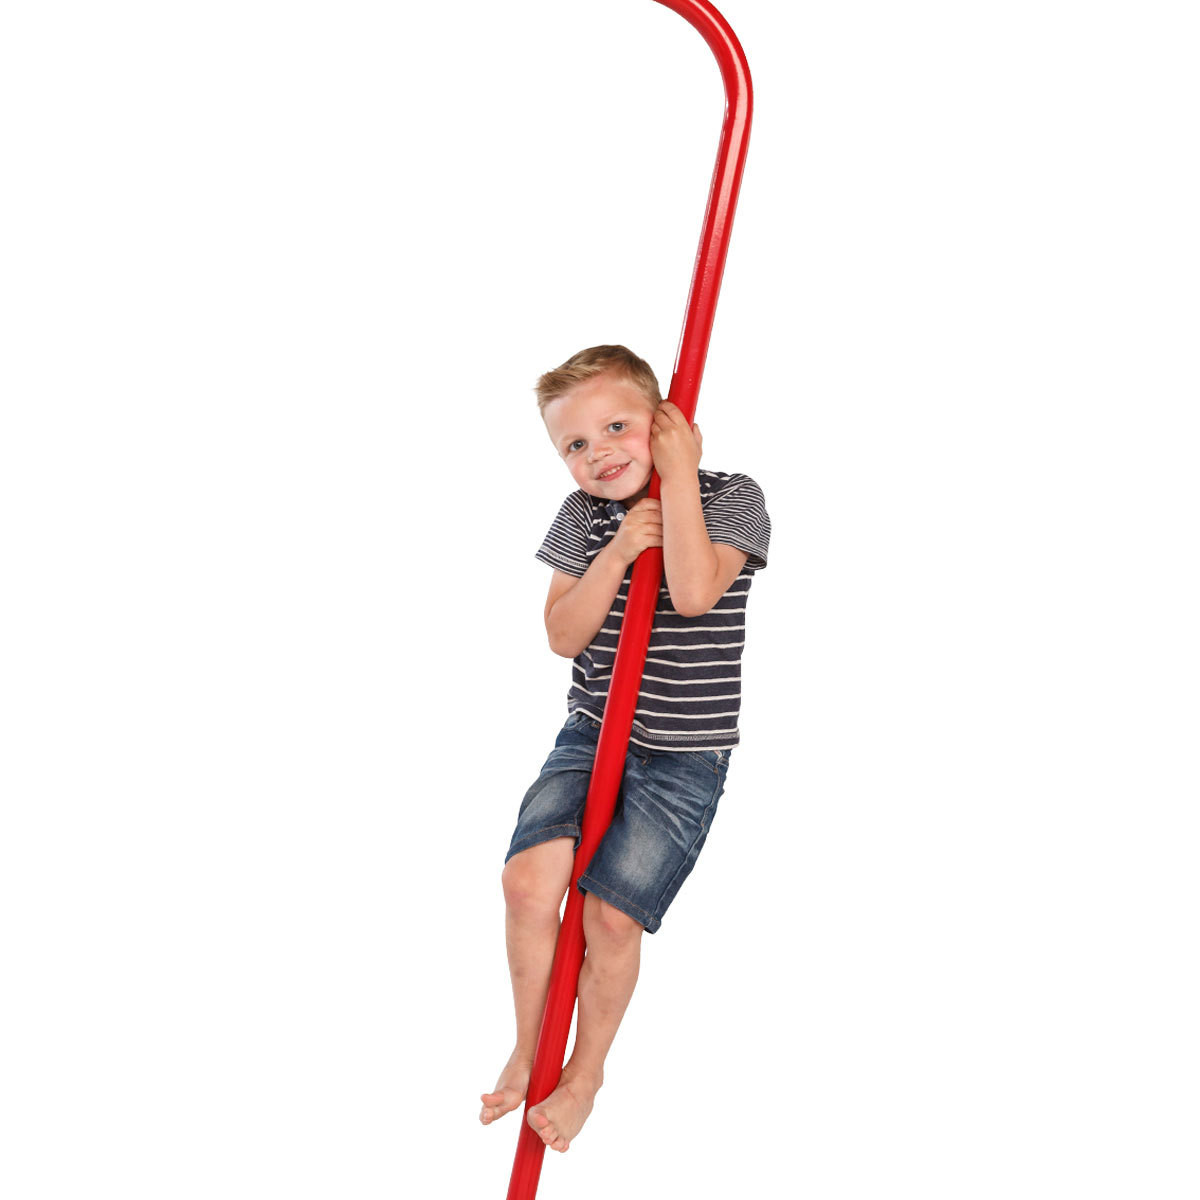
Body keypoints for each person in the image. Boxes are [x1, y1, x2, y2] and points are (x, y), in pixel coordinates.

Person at [479, 345, 770, 1152]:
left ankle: (584, 1075)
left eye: (616, 427)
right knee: (527, 881)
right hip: (593, 731)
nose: (598, 452)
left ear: (665, 422)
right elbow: (562, 635)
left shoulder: (733, 498)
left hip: (683, 755)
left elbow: (693, 593)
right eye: (575, 444)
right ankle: (530, 1047)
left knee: (610, 916)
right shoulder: (583, 517)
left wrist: (679, 482)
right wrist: (614, 553)